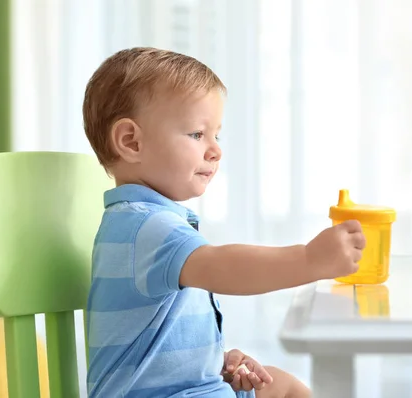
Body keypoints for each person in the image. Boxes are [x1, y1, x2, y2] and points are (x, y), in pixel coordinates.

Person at [83, 47, 366, 398]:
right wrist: (309, 260)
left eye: (217, 135)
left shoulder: (146, 224)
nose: (215, 150)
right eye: (197, 134)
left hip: (189, 388)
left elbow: (157, 348)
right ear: (131, 141)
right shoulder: (144, 227)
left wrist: (217, 362)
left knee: (282, 384)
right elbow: (222, 267)